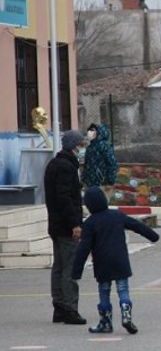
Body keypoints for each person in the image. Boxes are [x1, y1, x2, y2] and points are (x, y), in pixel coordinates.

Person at [72, 187, 159, 334]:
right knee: (123, 289)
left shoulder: (89, 223)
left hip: (102, 263)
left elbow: (83, 248)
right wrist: (153, 236)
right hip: (120, 260)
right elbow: (137, 225)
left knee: (104, 291)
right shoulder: (117, 215)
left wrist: (76, 271)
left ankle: (105, 322)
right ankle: (126, 314)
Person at [44, 130, 87, 325]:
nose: (82, 148)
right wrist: (75, 224)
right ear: (73, 146)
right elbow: (65, 199)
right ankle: (70, 309)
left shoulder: (55, 164)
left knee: (59, 266)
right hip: (65, 225)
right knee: (69, 267)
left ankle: (59, 307)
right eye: (80, 145)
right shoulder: (66, 167)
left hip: (55, 224)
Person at [82, 124, 118, 199]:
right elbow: (87, 165)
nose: (89, 132)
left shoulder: (105, 146)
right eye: (89, 130)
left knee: (102, 205)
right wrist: (84, 179)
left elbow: (112, 164)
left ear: (99, 132)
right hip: (90, 184)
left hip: (102, 184)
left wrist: (109, 181)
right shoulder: (90, 147)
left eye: (92, 130)